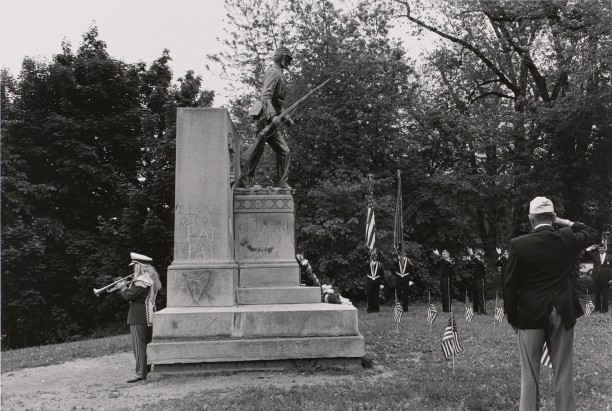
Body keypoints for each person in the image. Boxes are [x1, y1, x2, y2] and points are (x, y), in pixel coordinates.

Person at [504, 196, 597, 411]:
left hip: (530, 312)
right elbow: (592, 233)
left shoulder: (518, 244)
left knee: (529, 374)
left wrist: (512, 317)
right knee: (563, 371)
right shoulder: (565, 237)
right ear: (553, 217)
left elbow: (510, 285)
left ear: (531, 219)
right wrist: (565, 223)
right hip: (562, 310)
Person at [238, 46, 294, 189]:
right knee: (258, 148)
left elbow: (277, 102)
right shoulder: (273, 73)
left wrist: (285, 117)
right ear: (281, 58)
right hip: (265, 118)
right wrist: (272, 115)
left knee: (284, 151)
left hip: (273, 120)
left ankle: (282, 181)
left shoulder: (280, 74)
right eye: (287, 59)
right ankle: (245, 178)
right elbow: (266, 96)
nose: (289, 62)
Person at [117, 252, 162, 383]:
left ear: (139, 267)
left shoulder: (142, 280)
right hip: (150, 314)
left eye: (134, 267)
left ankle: (141, 373)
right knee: (145, 344)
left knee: (139, 346)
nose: (133, 270)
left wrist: (122, 287)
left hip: (138, 316)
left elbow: (128, 296)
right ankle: (145, 371)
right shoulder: (151, 280)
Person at [588, 243, 611, 313]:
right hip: (596, 277)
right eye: (599, 248)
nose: (600, 249)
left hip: (606, 278)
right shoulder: (595, 256)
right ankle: (597, 309)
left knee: (605, 294)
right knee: (597, 293)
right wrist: (590, 248)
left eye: (602, 248)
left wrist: (611, 279)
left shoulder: (610, 257)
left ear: (605, 249)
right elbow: (586, 254)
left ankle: (604, 310)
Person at [467, 247, 487, 314]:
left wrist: (471, 254)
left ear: (479, 256)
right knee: (475, 295)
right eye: (474, 255)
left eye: (476, 255)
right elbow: (468, 266)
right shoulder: (475, 262)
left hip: (480, 280)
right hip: (474, 280)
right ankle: (475, 310)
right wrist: (469, 260)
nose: (475, 256)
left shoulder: (481, 262)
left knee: (480, 295)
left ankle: (482, 310)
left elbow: (478, 262)